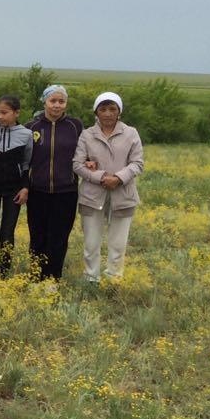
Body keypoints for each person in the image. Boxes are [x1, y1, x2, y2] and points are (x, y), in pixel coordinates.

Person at [74, 92, 144, 283]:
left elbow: (137, 163)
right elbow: (78, 164)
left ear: (119, 111)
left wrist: (119, 178)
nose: (107, 113)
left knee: (118, 244)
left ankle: (114, 279)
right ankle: (91, 278)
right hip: (92, 196)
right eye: (103, 109)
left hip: (123, 195)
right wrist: (102, 177)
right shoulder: (87, 135)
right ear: (96, 112)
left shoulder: (131, 133)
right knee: (91, 243)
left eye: (112, 109)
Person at [25, 84, 84, 281]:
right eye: (53, 101)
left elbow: (86, 150)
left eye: (61, 101)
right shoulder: (31, 127)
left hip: (66, 191)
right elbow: (24, 159)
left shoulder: (75, 126)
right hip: (37, 191)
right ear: (45, 102)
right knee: (37, 236)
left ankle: (53, 278)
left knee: (59, 237)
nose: (57, 105)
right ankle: (36, 277)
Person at [0, 95, 32, 274]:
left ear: (16, 113)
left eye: (5, 113)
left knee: (7, 231)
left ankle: (4, 270)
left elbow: (27, 164)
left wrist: (25, 187)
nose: (0, 116)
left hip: (14, 190)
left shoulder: (26, 134)